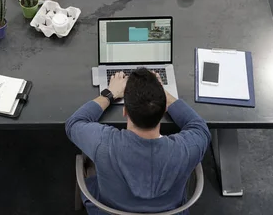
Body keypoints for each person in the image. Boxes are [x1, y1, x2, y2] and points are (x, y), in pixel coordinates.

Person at [65, 69, 210, 214]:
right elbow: (199, 127)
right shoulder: (186, 150)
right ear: (165, 107)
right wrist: (160, 95)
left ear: (125, 111)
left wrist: (109, 93)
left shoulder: (104, 145)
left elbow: (75, 123)